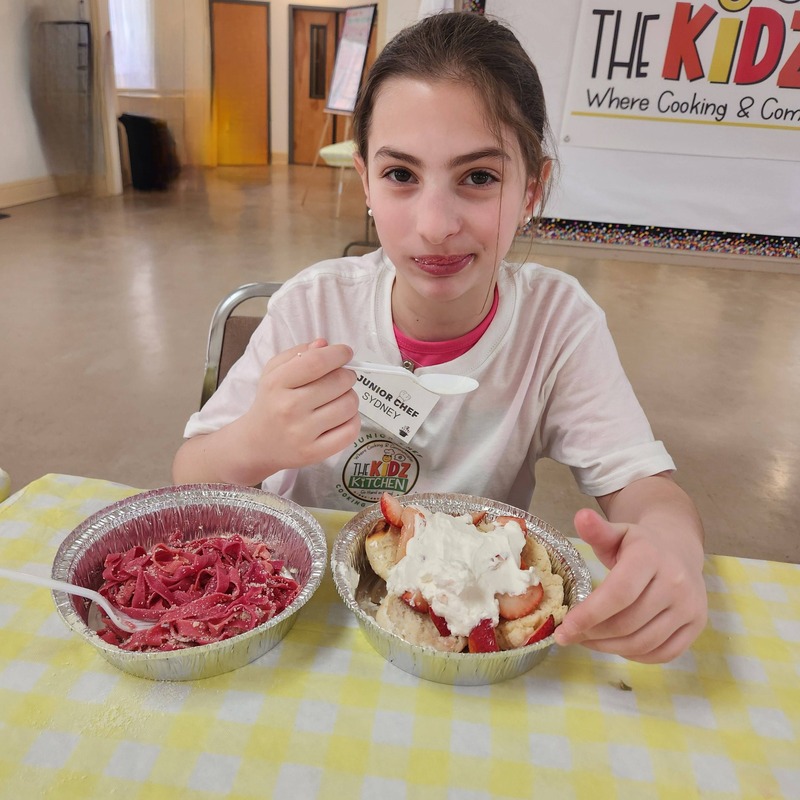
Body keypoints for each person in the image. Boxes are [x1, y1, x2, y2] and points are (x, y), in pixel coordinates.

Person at [173, 12, 706, 664]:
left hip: (463, 642)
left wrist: (671, 545)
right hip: (307, 627)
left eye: (479, 177)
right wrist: (253, 443)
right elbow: (190, 474)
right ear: (366, 182)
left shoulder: (556, 324)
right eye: (401, 175)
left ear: (532, 189)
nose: (435, 225)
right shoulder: (313, 306)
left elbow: (645, 489)